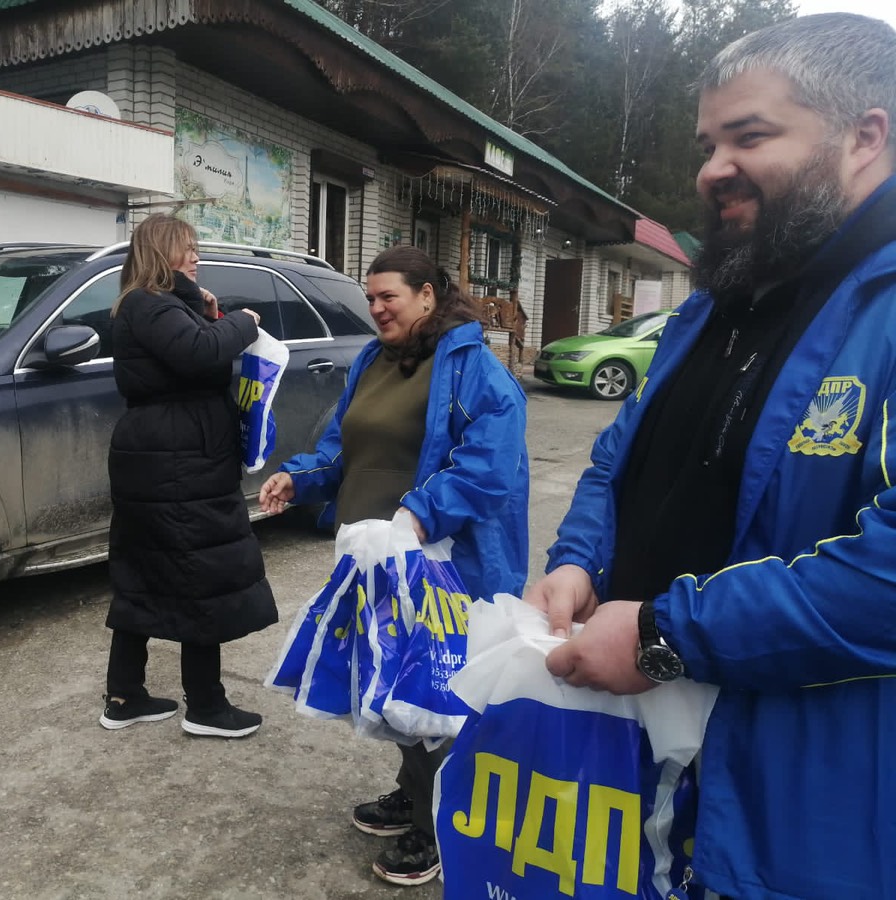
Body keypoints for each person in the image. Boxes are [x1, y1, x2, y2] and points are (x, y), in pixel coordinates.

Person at [524, 13, 896, 899]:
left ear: (865, 138)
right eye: (706, 144)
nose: (710, 169)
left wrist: (666, 636)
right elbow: (617, 460)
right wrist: (577, 559)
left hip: (798, 816)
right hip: (642, 757)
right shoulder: (708, 308)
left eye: (749, 137)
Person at [259, 245, 529, 886]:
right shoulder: (373, 360)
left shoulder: (474, 370)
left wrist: (419, 516)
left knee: (439, 695)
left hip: (444, 563)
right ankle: (414, 794)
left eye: (389, 297)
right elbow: (344, 445)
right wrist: (301, 479)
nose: (377, 308)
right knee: (396, 685)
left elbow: (488, 468)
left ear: (427, 295)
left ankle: (441, 826)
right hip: (375, 558)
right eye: (371, 297)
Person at [100, 214, 278, 739]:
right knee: (200, 573)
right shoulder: (149, 303)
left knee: (145, 573)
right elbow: (201, 353)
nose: (197, 257)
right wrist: (243, 322)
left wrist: (204, 310)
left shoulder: (155, 304)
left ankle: (125, 696)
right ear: (161, 252)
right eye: (187, 248)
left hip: (161, 455)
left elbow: (188, 351)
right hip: (176, 460)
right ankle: (206, 707)